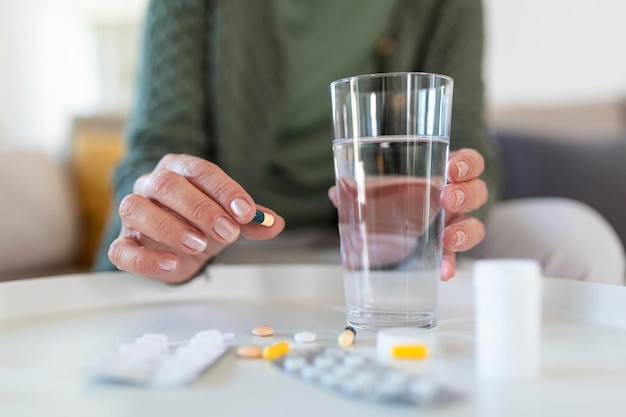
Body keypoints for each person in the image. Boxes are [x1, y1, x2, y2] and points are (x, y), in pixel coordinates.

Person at [94, 0, 624, 285]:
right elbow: (154, 152)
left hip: (396, 247)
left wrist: (452, 198)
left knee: (575, 236)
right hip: (245, 253)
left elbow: (466, 146)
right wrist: (167, 210)